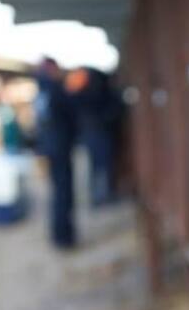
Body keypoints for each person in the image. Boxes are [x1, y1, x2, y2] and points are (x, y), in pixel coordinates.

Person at [33, 56, 78, 248]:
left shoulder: (41, 92)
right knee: (63, 192)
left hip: (49, 147)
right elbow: (71, 116)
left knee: (57, 192)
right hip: (60, 147)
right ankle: (64, 236)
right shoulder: (56, 89)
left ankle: (59, 234)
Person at [67, 67, 123, 206]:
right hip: (97, 132)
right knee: (101, 165)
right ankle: (100, 196)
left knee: (98, 165)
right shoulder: (95, 92)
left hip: (92, 132)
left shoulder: (84, 92)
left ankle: (99, 196)